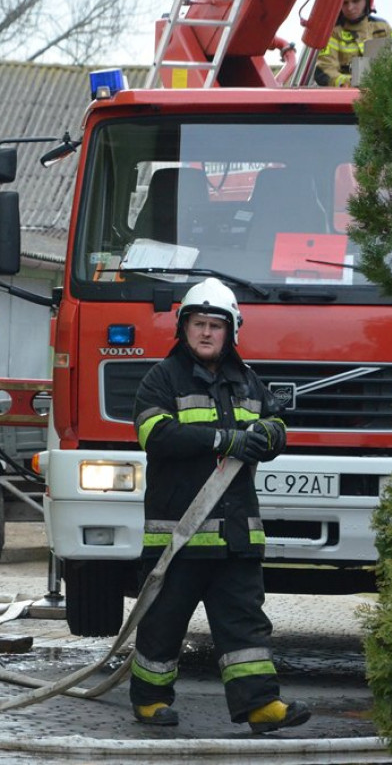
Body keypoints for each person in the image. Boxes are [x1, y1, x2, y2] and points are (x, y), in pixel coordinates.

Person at [129, 277, 310, 733]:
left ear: (231, 332)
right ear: (183, 328)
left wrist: (270, 435)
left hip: (236, 534)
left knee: (245, 624)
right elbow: (156, 435)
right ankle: (150, 700)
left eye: (215, 325)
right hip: (179, 535)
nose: (207, 333)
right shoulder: (161, 379)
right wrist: (225, 439)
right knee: (163, 623)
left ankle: (260, 705)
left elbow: (275, 425)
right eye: (198, 324)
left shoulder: (245, 381)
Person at [314, 0, 392, 88]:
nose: (350, 8)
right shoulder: (332, 32)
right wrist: (350, 82)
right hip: (343, 98)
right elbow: (324, 70)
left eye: (356, 1)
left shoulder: (383, 27)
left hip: (381, 95)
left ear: (367, 1)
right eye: (345, 3)